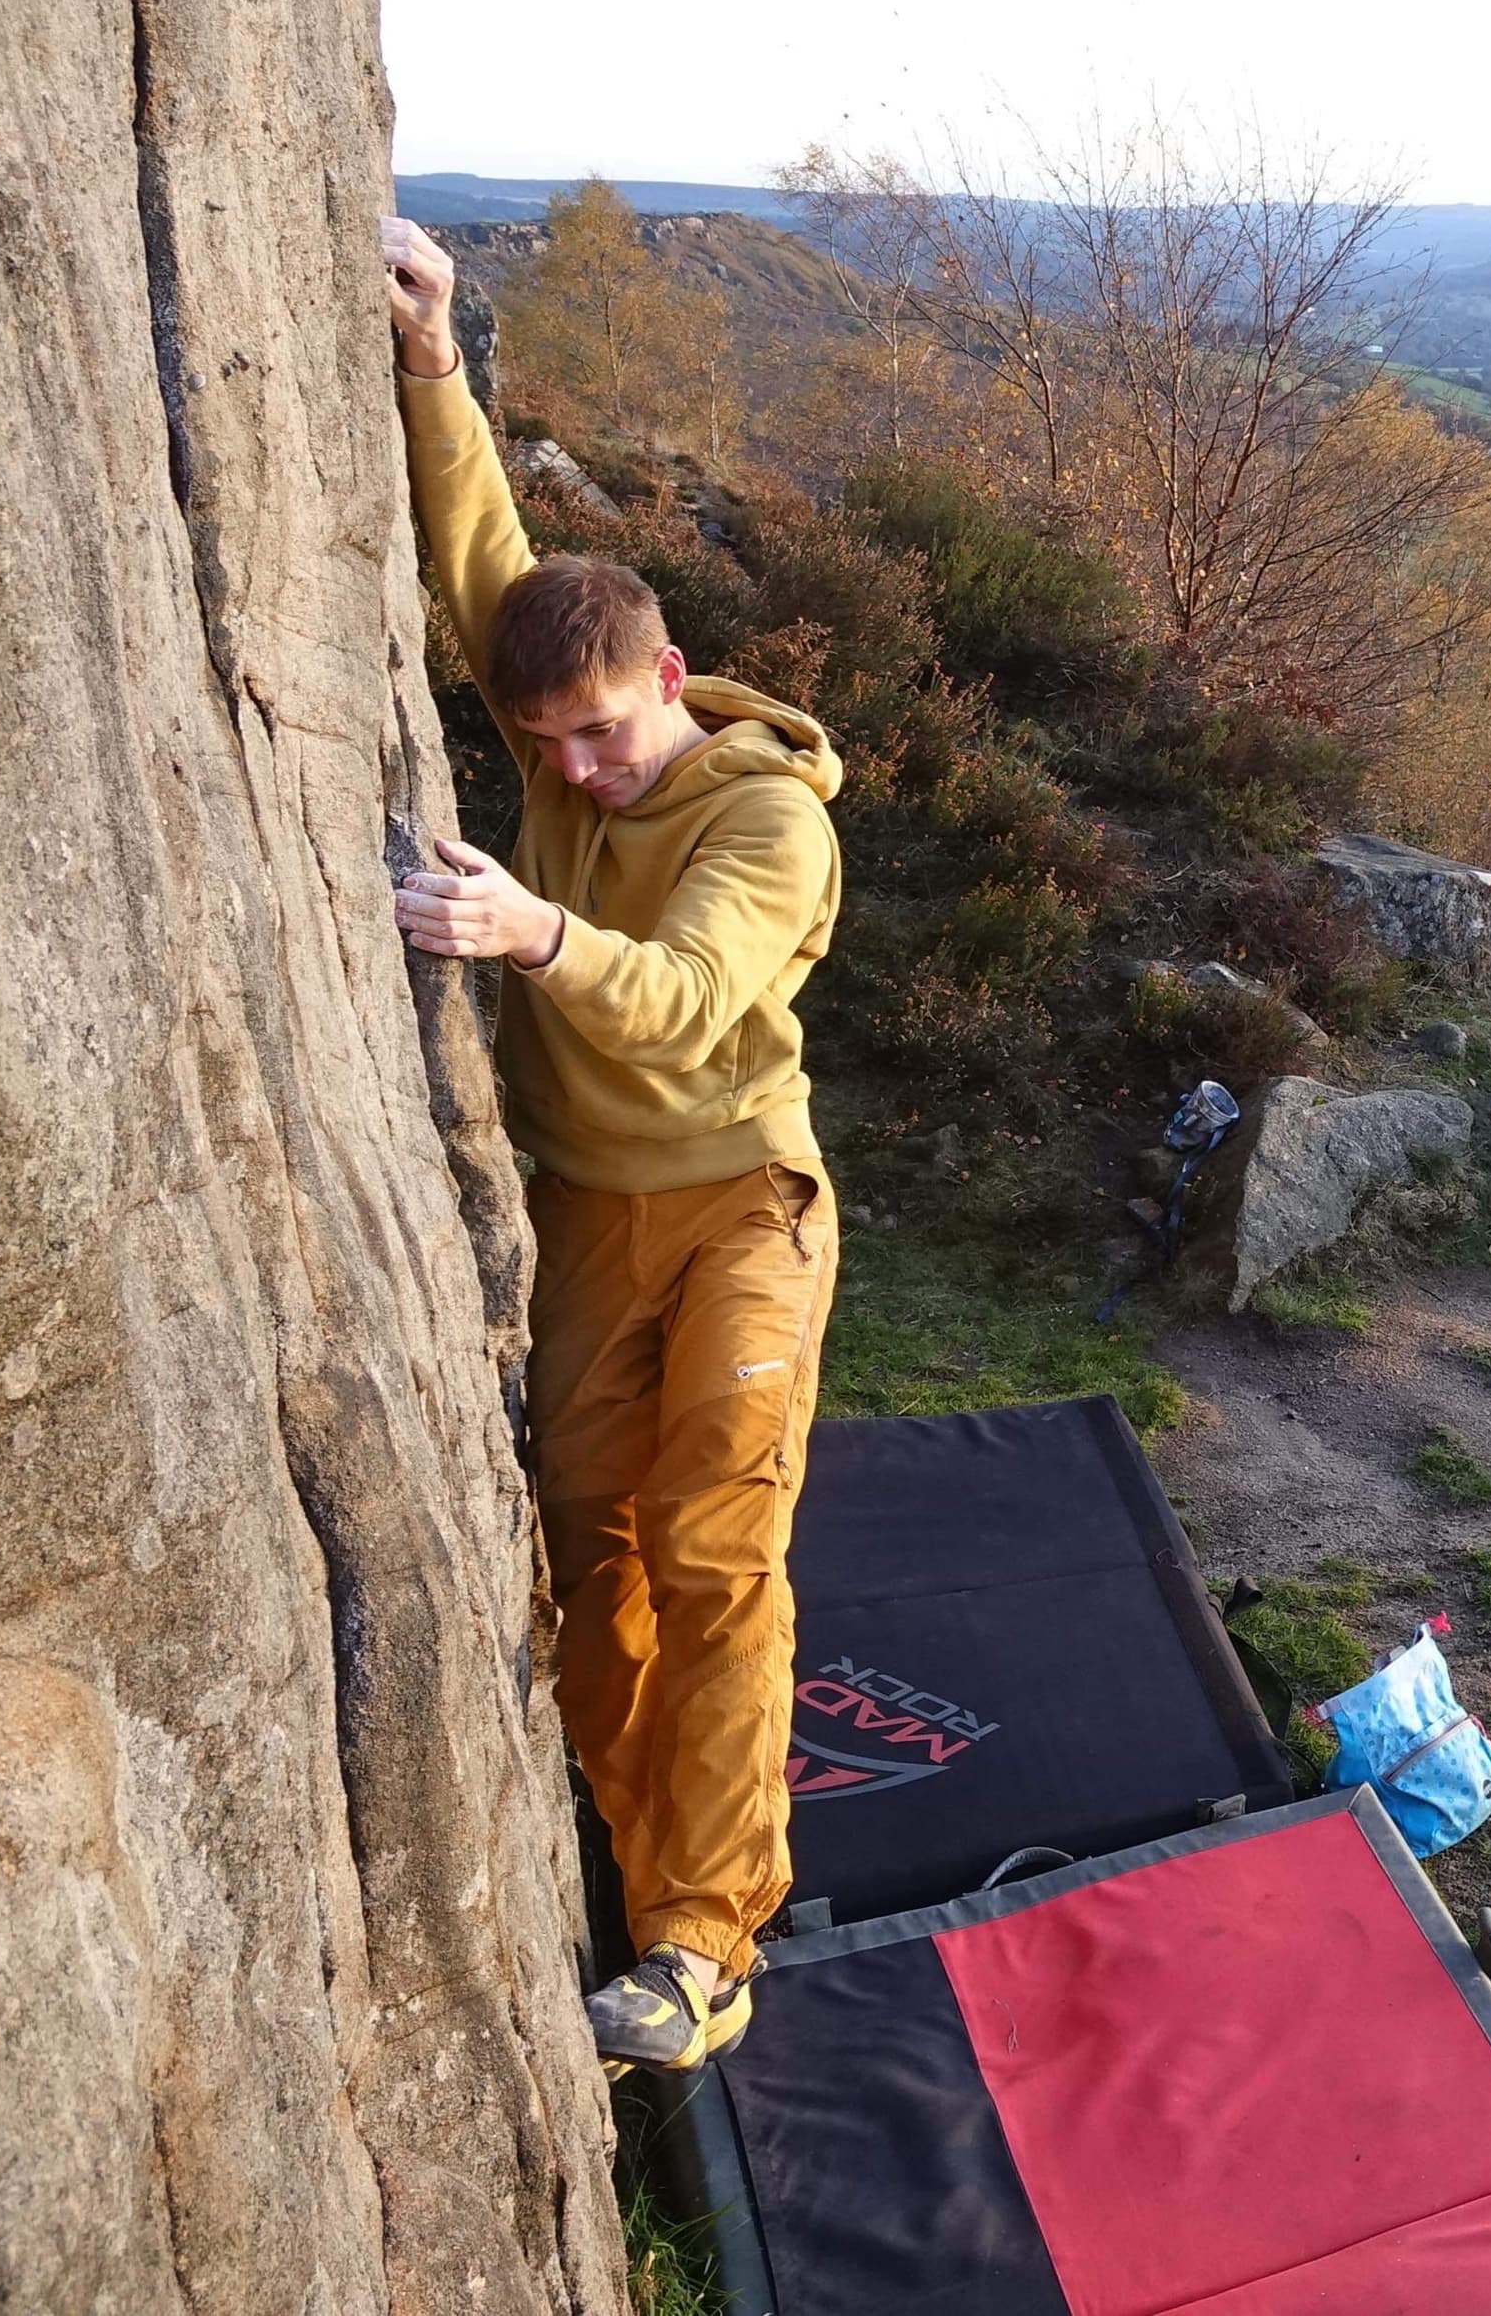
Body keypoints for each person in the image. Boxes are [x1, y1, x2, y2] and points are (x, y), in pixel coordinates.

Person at [380, 214, 844, 2074]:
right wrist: (434, 357)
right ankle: (642, 1845)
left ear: (670, 679)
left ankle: (702, 1939)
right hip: (589, 1214)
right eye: (542, 739)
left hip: (744, 1205)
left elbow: (690, 994)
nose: (566, 771)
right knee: (594, 1550)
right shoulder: (561, 715)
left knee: (720, 1546)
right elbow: (485, 560)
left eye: (594, 734)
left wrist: (531, 934)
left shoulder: (768, 824)